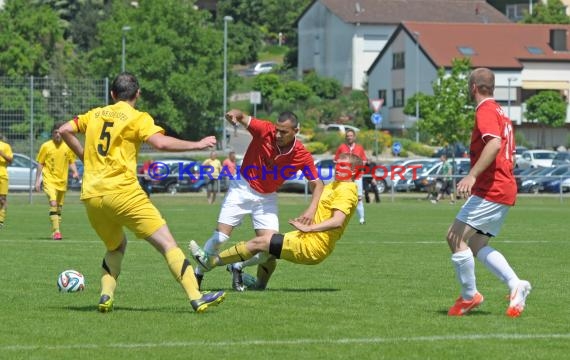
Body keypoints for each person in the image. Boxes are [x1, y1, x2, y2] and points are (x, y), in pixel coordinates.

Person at [59, 72, 225, 313]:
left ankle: (106, 296)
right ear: (137, 94)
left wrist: (84, 155)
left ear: (112, 94)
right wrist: (197, 144)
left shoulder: (94, 115)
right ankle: (196, 297)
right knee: (168, 244)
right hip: (123, 192)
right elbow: (161, 143)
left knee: (116, 247)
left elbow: (65, 130)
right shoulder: (138, 117)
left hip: (92, 196)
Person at [194, 109, 324, 292]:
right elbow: (241, 116)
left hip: (267, 198)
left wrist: (311, 210)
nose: (278, 134)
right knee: (221, 237)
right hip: (242, 187)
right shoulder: (265, 129)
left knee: (270, 248)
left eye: (284, 132)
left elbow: (317, 183)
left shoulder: (302, 155)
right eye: (277, 129)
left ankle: (238, 266)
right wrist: (232, 115)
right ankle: (198, 273)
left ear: (296, 130)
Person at [189, 152, 361, 285]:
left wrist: (309, 228)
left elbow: (337, 221)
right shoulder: (336, 185)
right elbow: (321, 193)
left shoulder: (346, 189)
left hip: (313, 246)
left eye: (344, 166)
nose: (338, 168)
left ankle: (210, 262)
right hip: (304, 238)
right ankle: (257, 284)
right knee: (267, 252)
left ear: (353, 170)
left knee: (260, 242)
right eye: (337, 164)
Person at [446, 67, 531, 317]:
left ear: (473, 87)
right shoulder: (501, 112)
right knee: (476, 243)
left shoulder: (484, 110)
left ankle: (469, 296)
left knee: (454, 237)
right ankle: (516, 285)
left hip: (491, 188)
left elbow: (494, 144)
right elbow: (506, 151)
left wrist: (472, 174)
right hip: (503, 186)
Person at [35, 122, 80, 240]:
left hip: (62, 181)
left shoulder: (67, 147)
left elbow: (71, 161)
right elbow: (40, 163)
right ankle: (57, 232)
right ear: (52, 134)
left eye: (60, 133)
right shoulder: (46, 146)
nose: (58, 135)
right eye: (55, 132)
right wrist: (37, 180)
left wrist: (75, 172)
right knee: (53, 203)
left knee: (59, 207)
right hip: (49, 179)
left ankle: (55, 230)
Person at [334, 129, 367, 224]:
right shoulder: (341, 148)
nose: (349, 137)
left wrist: (359, 167)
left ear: (354, 137)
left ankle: (362, 219)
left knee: (359, 198)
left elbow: (364, 160)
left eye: (351, 135)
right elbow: (336, 161)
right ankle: (341, 219)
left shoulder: (359, 148)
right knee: (343, 197)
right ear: (346, 137)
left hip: (357, 176)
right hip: (344, 178)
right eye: (348, 136)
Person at [0, 135, 13, 228]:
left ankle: (1, 220)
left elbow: (10, 160)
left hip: (2, 175)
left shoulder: (6, 146)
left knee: (2, 199)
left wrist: (2, 153)